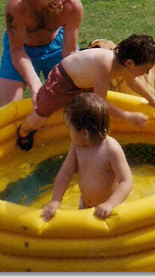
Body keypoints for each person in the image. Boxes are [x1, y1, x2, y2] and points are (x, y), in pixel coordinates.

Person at [16, 34, 155, 151]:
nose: (146, 73)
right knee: (42, 114)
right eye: (146, 68)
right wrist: (127, 116)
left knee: (91, 117)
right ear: (130, 63)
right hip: (62, 81)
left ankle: (91, 147)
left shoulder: (123, 65)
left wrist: (152, 99)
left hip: (84, 84)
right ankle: (24, 130)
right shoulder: (106, 64)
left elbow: (132, 82)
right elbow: (100, 102)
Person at [0, 0, 83, 107]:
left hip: (57, 45)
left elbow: (70, 51)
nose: (59, 2)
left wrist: (73, 80)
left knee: (78, 101)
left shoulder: (73, 7)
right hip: (22, 49)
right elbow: (16, 50)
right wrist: (35, 84)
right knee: (6, 109)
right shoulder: (17, 5)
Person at [41, 93, 133, 221]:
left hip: (111, 209)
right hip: (84, 206)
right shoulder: (77, 147)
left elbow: (126, 181)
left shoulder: (111, 149)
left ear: (85, 133)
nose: (69, 133)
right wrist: (55, 200)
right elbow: (65, 173)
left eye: (70, 128)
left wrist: (110, 204)